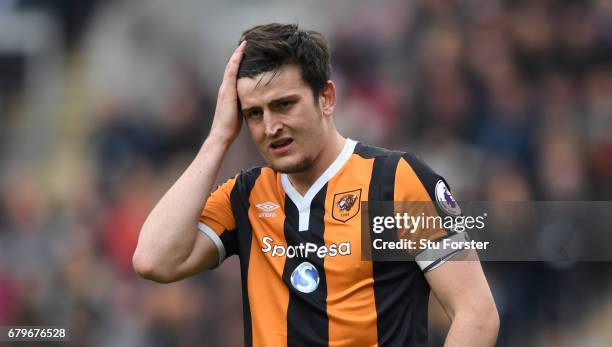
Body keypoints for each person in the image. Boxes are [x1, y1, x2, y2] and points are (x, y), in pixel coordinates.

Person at [133, 23, 499, 346]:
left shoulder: (396, 180)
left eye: (284, 104)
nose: (271, 126)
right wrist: (217, 138)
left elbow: (476, 312)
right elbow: (154, 260)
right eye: (254, 113)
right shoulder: (245, 195)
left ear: (326, 98)